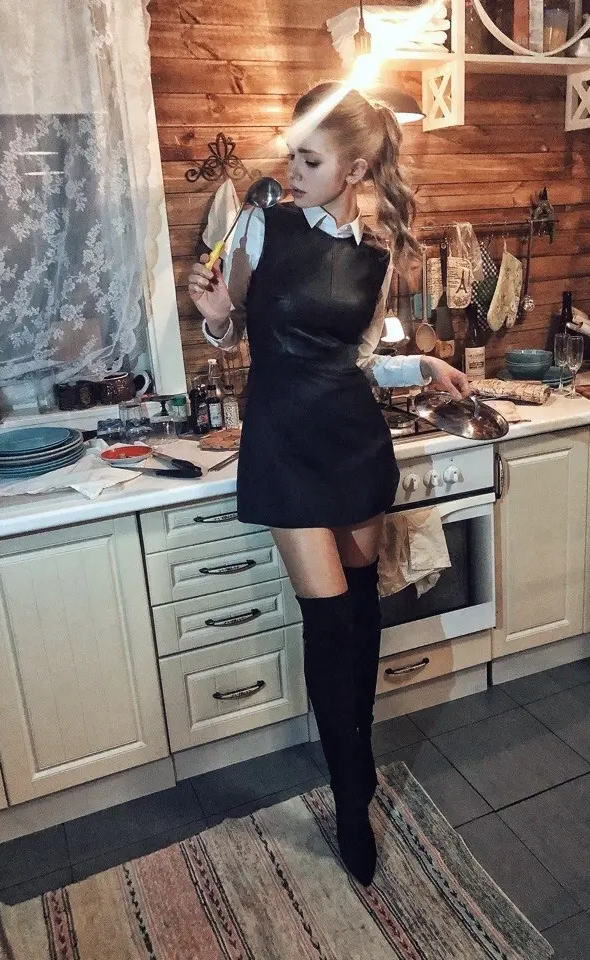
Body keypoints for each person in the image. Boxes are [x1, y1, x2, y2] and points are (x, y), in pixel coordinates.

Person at [188, 81, 471, 887]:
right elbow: (229, 329)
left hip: (352, 438)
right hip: (282, 442)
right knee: (327, 617)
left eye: (310, 160)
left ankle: (360, 749)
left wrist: (426, 366)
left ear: (355, 169)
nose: (292, 170)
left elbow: (361, 362)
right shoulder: (262, 224)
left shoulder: (378, 253)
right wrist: (216, 314)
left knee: (362, 609)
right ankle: (351, 796)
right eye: (292, 155)